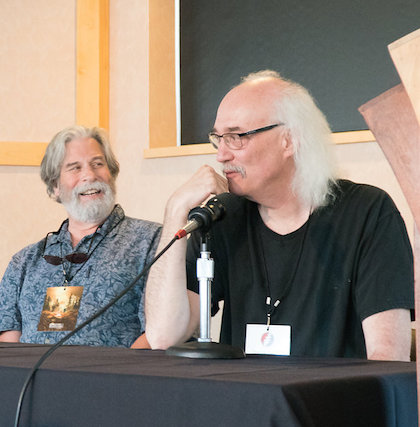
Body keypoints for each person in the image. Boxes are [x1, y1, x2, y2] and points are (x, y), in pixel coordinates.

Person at [145, 70, 414, 360]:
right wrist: (175, 211)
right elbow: (163, 336)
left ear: (289, 140)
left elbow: (388, 357)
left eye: (235, 137)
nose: (221, 154)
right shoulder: (222, 217)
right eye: (218, 138)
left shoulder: (367, 212)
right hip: (242, 401)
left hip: (333, 402)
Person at [0, 126, 161, 348]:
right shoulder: (25, 261)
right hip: (34, 381)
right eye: (74, 168)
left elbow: (161, 334)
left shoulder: (153, 241)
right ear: (55, 186)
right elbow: (5, 347)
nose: (90, 175)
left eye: (98, 164)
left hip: (114, 380)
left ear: (112, 173)